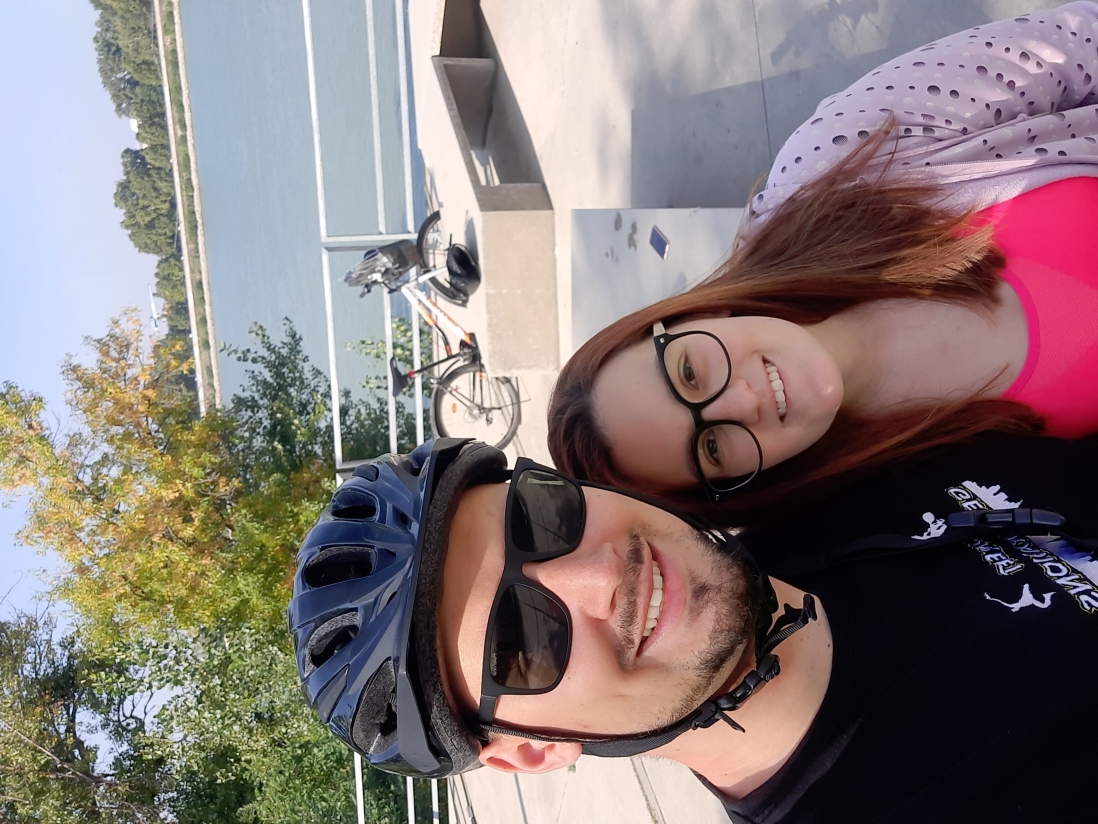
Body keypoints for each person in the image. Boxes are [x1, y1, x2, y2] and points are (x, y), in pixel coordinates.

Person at [289, 436, 1098, 822]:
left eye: (539, 516)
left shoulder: (820, 486)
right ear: (530, 751)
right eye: (522, 640)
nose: (601, 576)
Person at [548, 3, 1098, 525]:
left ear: (692, 316)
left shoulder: (836, 163)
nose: (743, 401)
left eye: (690, 373)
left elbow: (1076, 46)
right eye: (712, 447)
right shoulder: (893, 507)